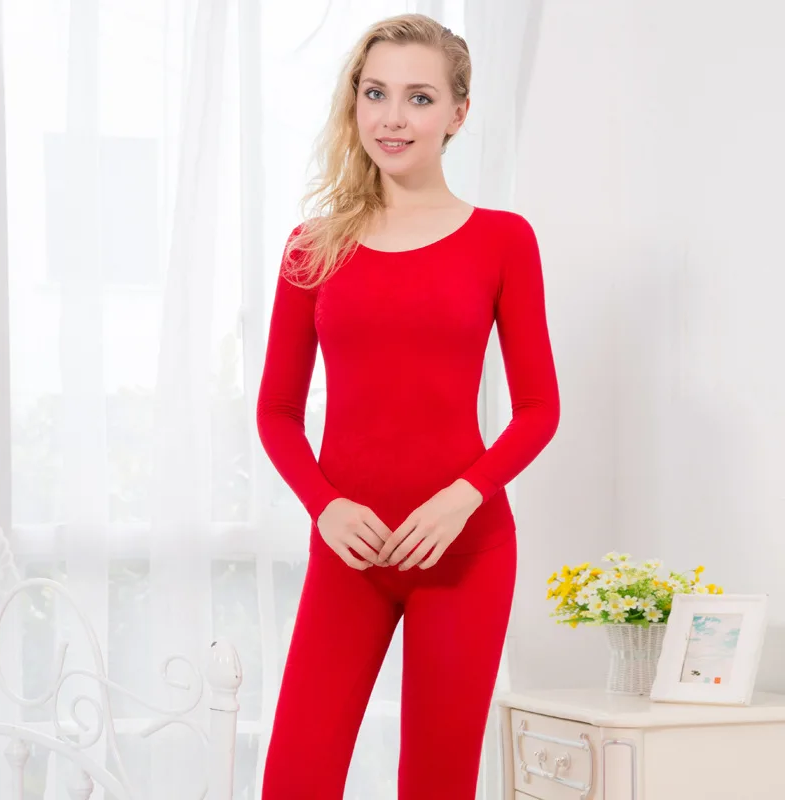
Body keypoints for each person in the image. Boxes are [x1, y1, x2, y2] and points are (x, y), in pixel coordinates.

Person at [256, 12, 560, 799]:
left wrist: (462, 498)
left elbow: (538, 407)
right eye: (376, 93)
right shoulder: (313, 246)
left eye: (419, 98)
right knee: (295, 781)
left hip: (465, 556)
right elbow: (277, 411)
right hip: (349, 554)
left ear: (458, 113)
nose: (392, 117)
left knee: (435, 785)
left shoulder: (502, 240)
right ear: (354, 102)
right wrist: (324, 506)